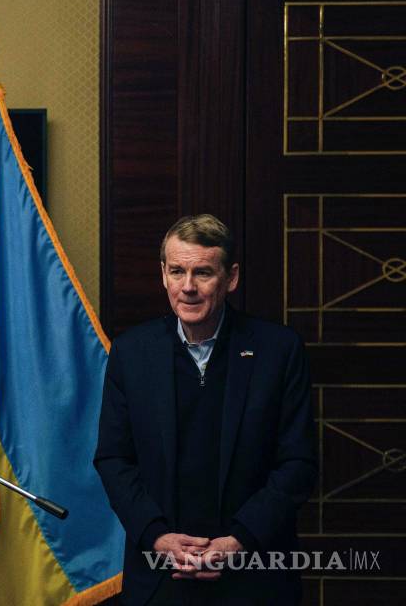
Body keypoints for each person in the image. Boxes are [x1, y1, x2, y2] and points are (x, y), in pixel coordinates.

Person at [94, 214, 316, 605]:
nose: (188, 287)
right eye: (177, 271)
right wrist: (157, 537)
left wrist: (239, 541)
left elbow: (298, 463)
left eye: (203, 273)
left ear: (230, 278)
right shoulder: (131, 353)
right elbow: (114, 459)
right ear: (163, 274)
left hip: (254, 575)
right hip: (160, 574)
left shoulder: (278, 351)